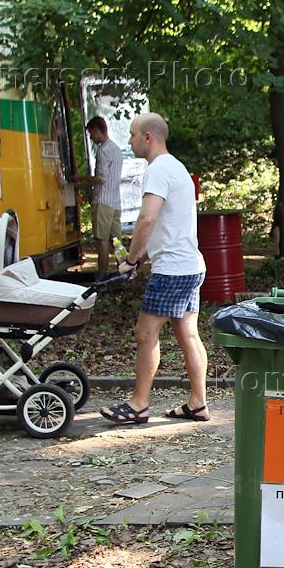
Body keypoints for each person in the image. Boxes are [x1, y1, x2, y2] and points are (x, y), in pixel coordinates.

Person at [99, 113, 208, 425]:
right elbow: (167, 224)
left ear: (148, 137)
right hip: (189, 265)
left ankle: (138, 404)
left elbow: (147, 219)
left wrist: (131, 259)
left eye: (132, 134)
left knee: (145, 333)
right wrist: (144, 256)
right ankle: (198, 403)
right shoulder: (176, 167)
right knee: (188, 333)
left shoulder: (158, 169)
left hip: (173, 270)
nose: (129, 141)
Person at [74, 116, 124, 280]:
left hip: (102, 202)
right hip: (115, 201)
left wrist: (81, 177)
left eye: (91, 134)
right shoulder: (116, 149)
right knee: (116, 241)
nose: (91, 138)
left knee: (101, 241)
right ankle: (126, 270)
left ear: (97, 131)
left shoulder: (103, 151)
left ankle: (101, 277)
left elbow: (100, 179)